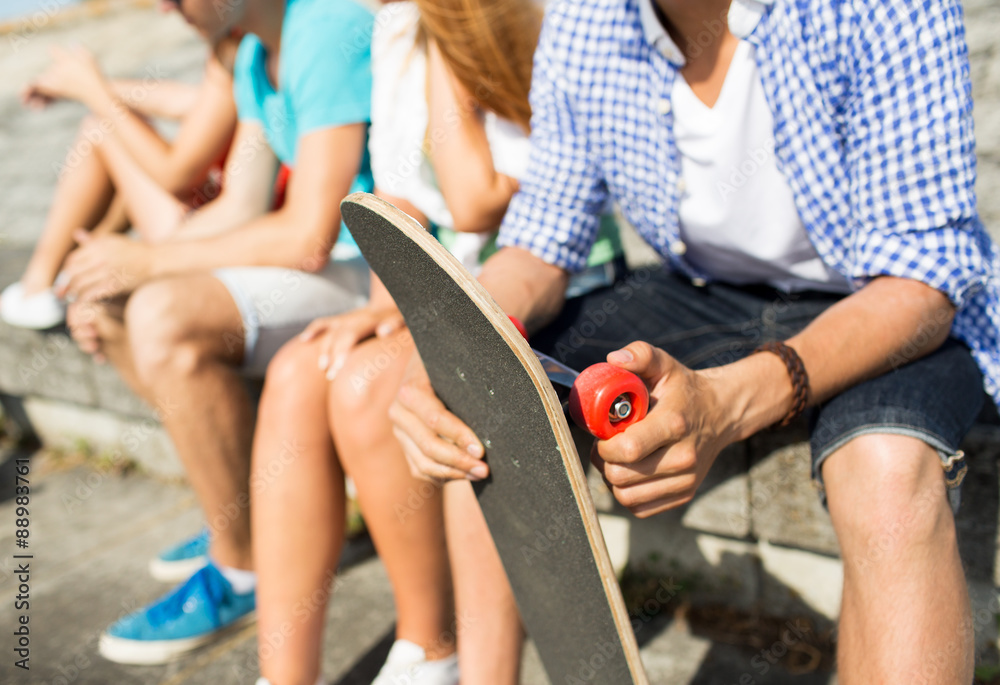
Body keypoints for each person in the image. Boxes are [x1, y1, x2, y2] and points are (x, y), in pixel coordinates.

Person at [390, 0, 1000, 682]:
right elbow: (539, 242)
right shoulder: (587, 19)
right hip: (711, 290)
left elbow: (920, 285)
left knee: (885, 467)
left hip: (879, 298)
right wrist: (449, 339)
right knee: (485, 383)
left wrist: (731, 400)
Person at [251, 0, 625, 682]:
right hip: (455, 280)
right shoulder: (397, 29)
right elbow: (402, 195)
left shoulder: (499, 17)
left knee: (367, 390)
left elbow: (475, 195)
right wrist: (382, 303)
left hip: (554, 286)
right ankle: (283, 674)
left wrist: (444, 64)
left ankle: (432, 647)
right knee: (301, 370)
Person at [59, 0, 376, 665]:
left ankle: (244, 567)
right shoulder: (258, 55)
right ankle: (242, 511)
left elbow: (312, 233)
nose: (164, 5)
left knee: (161, 314)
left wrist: (148, 262)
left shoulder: (327, 25)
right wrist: (121, 267)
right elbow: (238, 204)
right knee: (118, 307)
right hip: (327, 265)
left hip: (374, 275)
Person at [2, 33, 238, 330]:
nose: (166, 6)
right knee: (124, 132)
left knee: (101, 127)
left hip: (205, 237)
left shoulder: (239, 46)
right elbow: (188, 101)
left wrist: (93, 90)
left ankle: (38, 285)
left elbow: (174, 174)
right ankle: (71, 269)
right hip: (214, 222)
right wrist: (82, 87)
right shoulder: (253, 43)